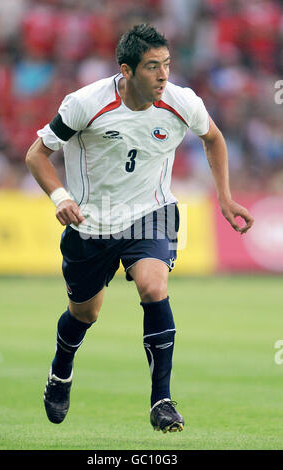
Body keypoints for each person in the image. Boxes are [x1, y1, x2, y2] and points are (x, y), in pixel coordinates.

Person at [25, 23, 254, 433]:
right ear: (126, 71)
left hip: (152, 212)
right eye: (152, 67)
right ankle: (61, 370)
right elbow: (36, 155)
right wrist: (62, 198)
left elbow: (214, 138)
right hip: (93, 222)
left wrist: (224, 197)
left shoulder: (182, 102)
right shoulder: (85, 103)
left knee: (153, 286)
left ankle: (161, 400)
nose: (163, 75)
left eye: (166, 64)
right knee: (85, 313)